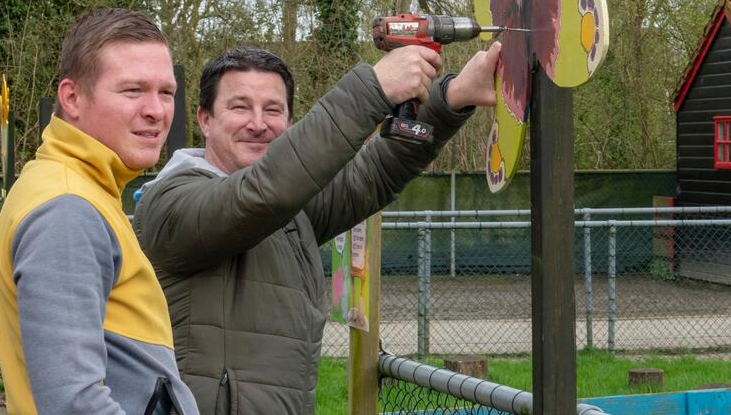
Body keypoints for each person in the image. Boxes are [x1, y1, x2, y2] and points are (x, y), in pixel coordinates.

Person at [134, 41, 501, 413]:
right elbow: (260, 195)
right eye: (240, 107)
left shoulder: (292, 212)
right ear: (204, 120)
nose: (258, 123)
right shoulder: (170, 204)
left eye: (273, 110)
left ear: (291, 125)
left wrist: (451, 98)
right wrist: (372, 90)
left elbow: (371, 174)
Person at [0, 9, 199, 415]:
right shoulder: (67, 210)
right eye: (133, 90)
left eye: (166, 92)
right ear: (72, 98)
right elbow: (74, 403)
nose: (157, 111)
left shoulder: (81, 187)